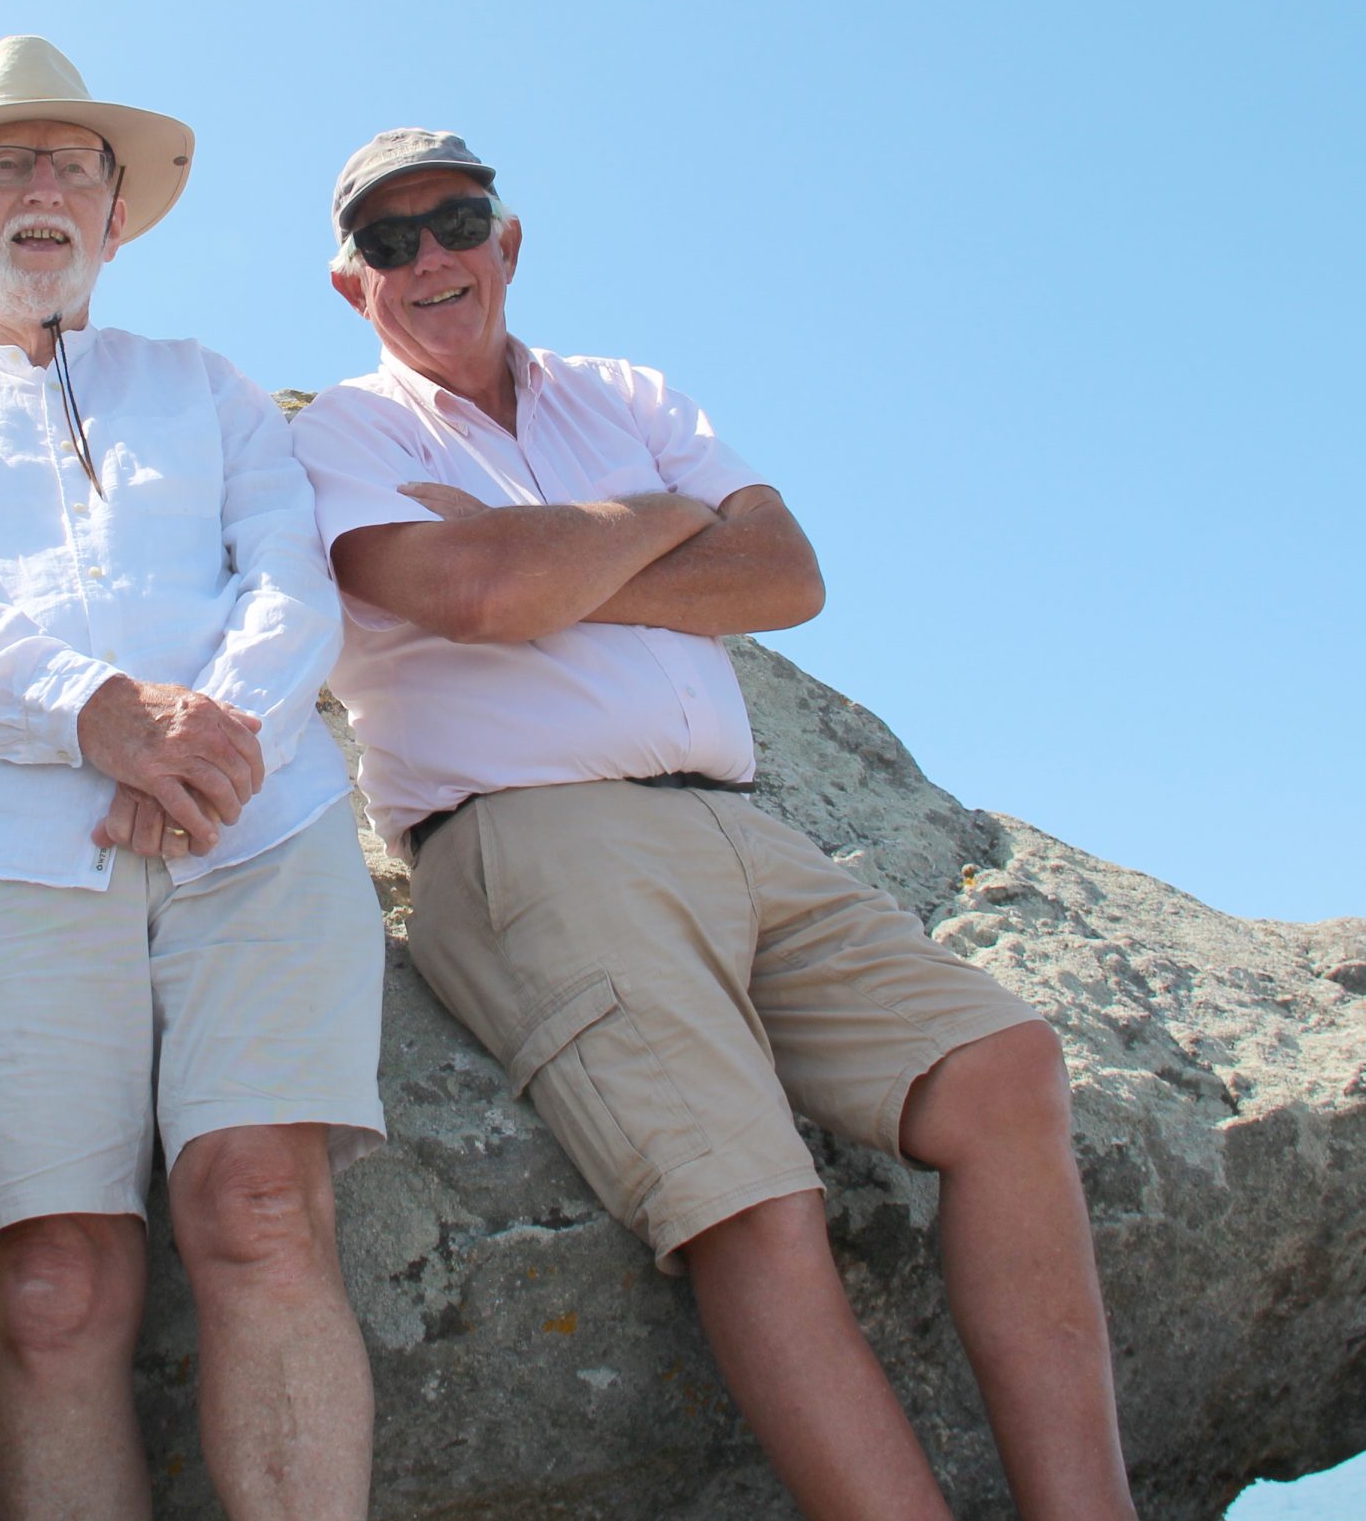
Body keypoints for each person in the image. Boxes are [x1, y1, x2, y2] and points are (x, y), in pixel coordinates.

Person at [290, 128, 1136, 1518]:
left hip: (744, 829)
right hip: (534, 840)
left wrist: (555, 554)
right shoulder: (342, 433)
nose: (431, 258)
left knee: (1001, 1066)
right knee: (751, 1200)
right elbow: (469, 597)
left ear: (509, 239)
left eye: (457, 221)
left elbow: (788, 574)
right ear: (352, 286)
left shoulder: (623, 390)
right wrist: (666, 519)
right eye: (391, 243)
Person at [0, 38, 385, 1520]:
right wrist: (92, 714)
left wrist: (201, 743)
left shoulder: (208, 385)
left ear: (120, 216)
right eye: (8, 161)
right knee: (58, 1286)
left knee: (260, 1212)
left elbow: (292, 580)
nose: (44, 189)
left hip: (258, 832)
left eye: (76, 165)